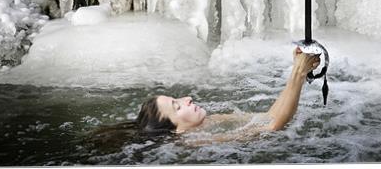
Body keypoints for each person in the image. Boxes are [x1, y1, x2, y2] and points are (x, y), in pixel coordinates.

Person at [136, 47, 321, 141]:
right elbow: (273, 128)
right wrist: (299, 72)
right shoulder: (199, 142)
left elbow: (268, 117)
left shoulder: (210, 121)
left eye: (177, 99)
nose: (187, 99)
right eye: (177, 107)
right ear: (177, 130)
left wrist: (297, 69)